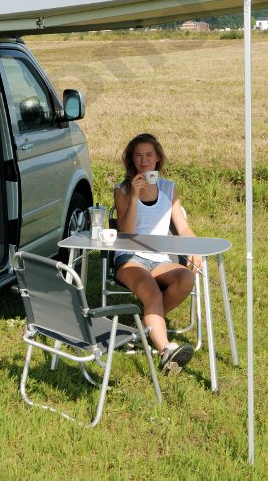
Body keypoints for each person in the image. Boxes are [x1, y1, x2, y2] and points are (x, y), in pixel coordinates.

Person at [112, 132, 202, 373]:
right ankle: (165, 351)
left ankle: (142, 328)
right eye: (138, 155)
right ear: (132, 160)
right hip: (130, 257)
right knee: (151, 291)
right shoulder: (122, 190)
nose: (144, 160)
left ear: (158, 159)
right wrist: (134, 195)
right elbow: (126, 233)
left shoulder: (168, 188)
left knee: (186, 278)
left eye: (149, 155)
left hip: (160, 258)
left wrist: (195, 249)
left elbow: (182, 227)